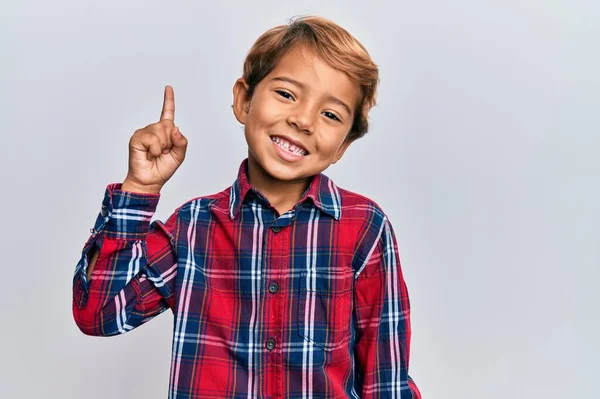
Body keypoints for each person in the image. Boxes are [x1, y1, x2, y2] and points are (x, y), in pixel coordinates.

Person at [72, 15, 421, 399]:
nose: (303, 119)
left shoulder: (364, 228)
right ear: (243, 100)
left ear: (342, 147)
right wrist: (140, 188)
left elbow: (384, 379)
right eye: (287, 94)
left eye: (331, 114)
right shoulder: (192, 229)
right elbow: (99, 313)